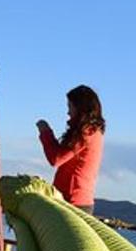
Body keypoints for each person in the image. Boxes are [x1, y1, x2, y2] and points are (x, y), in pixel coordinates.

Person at [36, 84, 106, 213]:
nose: (68, 112)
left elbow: (56, 159)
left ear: (80, 108)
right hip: (75, 199)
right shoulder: (91, 131)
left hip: (73, 201)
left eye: (70, 107)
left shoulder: (86, 132)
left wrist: (45, 132)